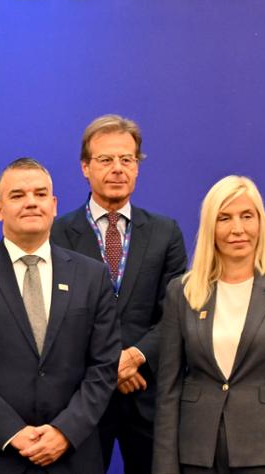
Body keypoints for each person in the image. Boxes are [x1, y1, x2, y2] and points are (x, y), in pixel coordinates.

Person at [0, 158, 120, 473]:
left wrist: (65, 431)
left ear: (54, 205)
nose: (31, 203)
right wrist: (11, 431)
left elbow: (104, 365)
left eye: (40, 194)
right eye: (18, 195)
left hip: (71, 455)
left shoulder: (92, 276)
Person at [151, 176, 265, 474]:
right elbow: (168, 389)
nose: (237, 229)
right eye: (224, 218)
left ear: (261, 222)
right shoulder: (183, 291)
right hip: (197, 457)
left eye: (247, 216)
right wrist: (165, 466)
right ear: (210, 228)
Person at [51, 115, 188, 474]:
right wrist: (112, 363)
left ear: (137, 167)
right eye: (105, 160)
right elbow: (55, 319)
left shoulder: (164, 232)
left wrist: (137, 356)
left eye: (127, 160)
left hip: (148, 393)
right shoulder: (58, 235)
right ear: (85, 167)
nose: (117, 169)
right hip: (80, 397)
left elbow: (175, 312)